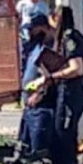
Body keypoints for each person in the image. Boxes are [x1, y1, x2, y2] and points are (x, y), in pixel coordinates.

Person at [32, 6, 83, 164]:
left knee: (65, 143)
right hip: (63, 94)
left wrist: (52, 77)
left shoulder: (70, 38)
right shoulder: (61, 40)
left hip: (71, 96)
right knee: (58, 142)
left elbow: (76, 68)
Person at [19, 14, 56, 153]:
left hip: (42, 104)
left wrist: (38, 94)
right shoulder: (34, 46)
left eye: (32, 29)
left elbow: (50, 77)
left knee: (38, 148)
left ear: (43, 28)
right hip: (29, 104)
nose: (30, 32)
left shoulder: (51, 48)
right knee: (25, 146)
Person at [16, 0, 49, 77]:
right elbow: (18, 19)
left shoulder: (43, 6)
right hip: (25, 31)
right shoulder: (22, 4)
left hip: (39, 34)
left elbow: (47, 21)